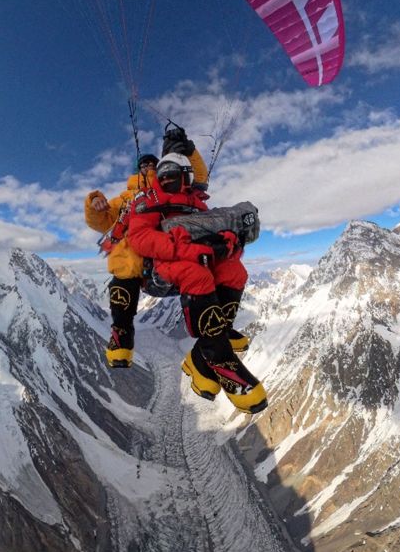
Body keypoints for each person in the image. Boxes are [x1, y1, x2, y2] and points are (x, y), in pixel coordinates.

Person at [117, 153, 267, 414]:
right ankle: (219, 358)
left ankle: (203, 354)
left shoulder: (196, 203)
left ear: (186, 176)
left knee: (234, 272)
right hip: (162, 265)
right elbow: (141, 238)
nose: (165, 179)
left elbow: (211, 233)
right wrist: (190, 251)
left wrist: (227, 245)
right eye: (162, 176)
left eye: (172, 175)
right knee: (196, 274)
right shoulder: (146, 201)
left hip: (198, 258)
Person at [81, 126, 206, 367]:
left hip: (167, 248)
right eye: (144, 165)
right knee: (126, 262)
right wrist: (94, 201)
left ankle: (212, 332)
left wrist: (189, 150)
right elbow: (101, 221)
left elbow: (199, 179)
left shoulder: (172, 185)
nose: (148, 167)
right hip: (139, 255)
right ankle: (122, 334)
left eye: (152, 164)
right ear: (137, 171)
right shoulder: (126, 198)